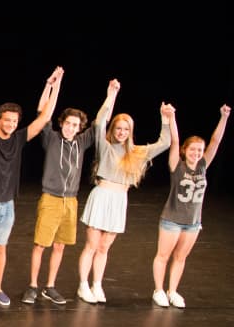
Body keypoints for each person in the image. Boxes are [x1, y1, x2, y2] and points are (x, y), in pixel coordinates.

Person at [0, 67, 62, 306]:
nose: (10, 123)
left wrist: (53, 84)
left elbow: (45, 117)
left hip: (7, 205)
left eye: (14, 120)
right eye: (6, 119)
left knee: (0, 249)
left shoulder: (19, 139)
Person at [76, 79, 173, 304]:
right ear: (114, 130)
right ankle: (83, 285)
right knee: (91, 245)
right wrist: (111, 95)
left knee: (104, 247)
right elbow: (99, 123)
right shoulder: (105, 146)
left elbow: (165, 143)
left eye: (126, 129)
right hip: (101, 196)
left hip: (119, 200)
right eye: (118, 128)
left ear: (130, 132)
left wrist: (166, 119)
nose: (121, 132)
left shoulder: (137, 153)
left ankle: (97, 284)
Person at [24, 77, 96, 305]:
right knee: (41, 245)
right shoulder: (52, 138)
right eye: (68, 123)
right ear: (62, 123)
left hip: (70, 201)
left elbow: (101, 122)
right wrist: (50, 85)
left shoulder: (82, 142)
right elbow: (41, 111)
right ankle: (33, 286)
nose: (72, 128)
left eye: (76, 125)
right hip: (51, 199)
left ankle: (50, 286)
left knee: (60, 245)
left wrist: (111, 93)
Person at [151, 104, 229, 308]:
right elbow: (175, 141)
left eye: (200, 150)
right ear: (186, 150)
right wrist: (172, 117)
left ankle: (173, 291)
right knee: (164, 256)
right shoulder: (177, 165)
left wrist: (224, 117)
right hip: (172, 220)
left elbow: (216, 141)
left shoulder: (203, 165)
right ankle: (158, 290)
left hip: (193, 223)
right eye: (193, 149)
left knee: (180, 257)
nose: (197, 153)